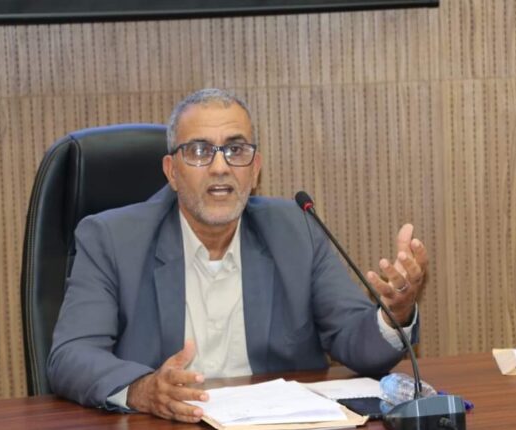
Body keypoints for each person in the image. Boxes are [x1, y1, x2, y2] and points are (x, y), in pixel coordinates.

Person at [47, 88, 428, 423]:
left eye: (235, 150)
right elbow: (71, 355)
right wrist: (142, 390)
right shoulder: (111, 239)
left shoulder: (296, 230)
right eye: (199, 151)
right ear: (172, 172)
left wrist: (394, 314)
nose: (220, 167)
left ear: (255, 168)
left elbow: (354, 341)